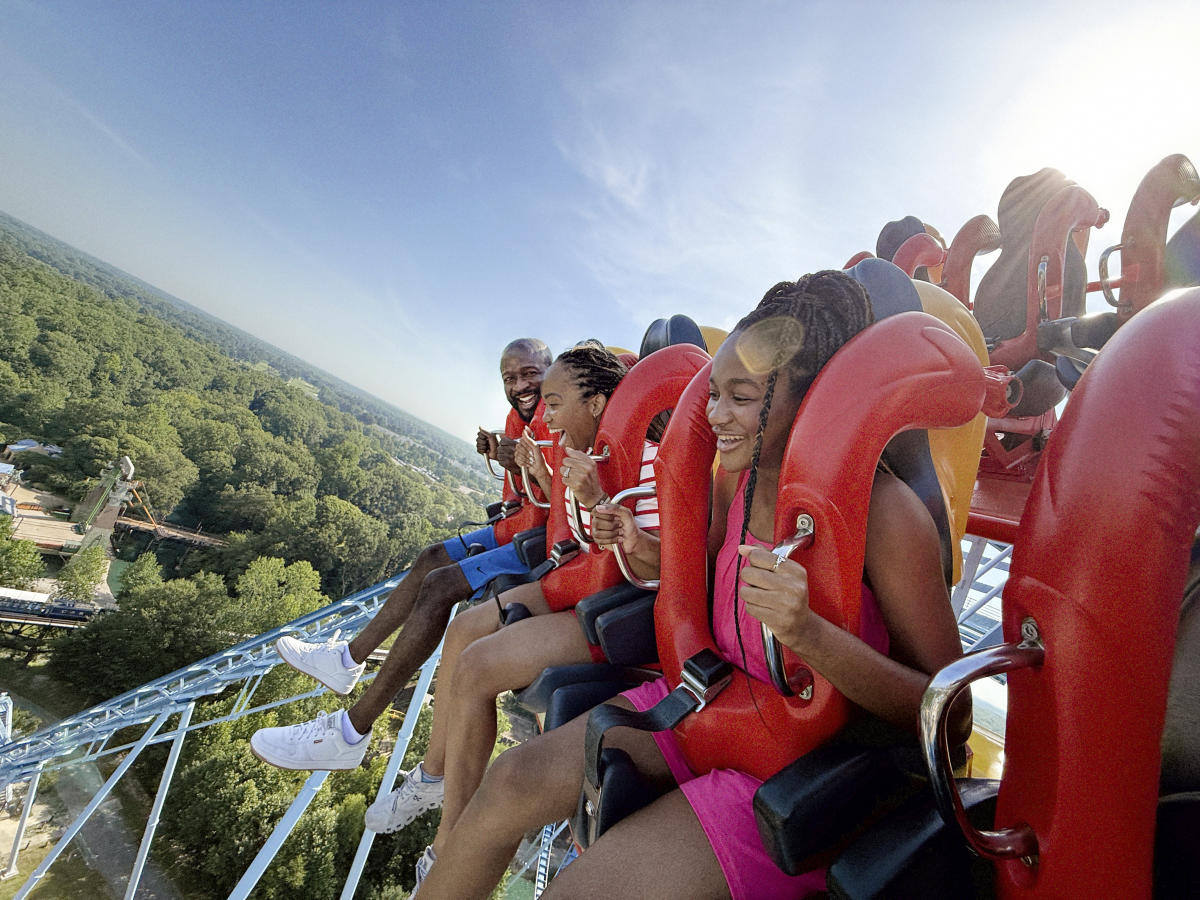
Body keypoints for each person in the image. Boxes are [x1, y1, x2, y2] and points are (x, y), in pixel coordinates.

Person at [412, 271, 971, 899]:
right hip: (705, 703)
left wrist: (809, 634)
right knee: (510, 782)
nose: (716, 416)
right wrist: (632, 540)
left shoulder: (886, 516)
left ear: (811, 397)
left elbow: (948, 717)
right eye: (714, 395)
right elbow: (688, 588)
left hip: (789, 767)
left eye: (742, 397)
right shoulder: (735, 481)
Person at [368, 345, 662, 875]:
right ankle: (437, 784)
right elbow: (565, 526)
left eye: (555, 403)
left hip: (616, 608)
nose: (546, 417)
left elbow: (658, 567)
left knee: (478, 665)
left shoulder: (647, 463)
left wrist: (599, 503)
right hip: (576, 583)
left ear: (597, 404)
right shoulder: (583, 454)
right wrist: (541, 475)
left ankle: (447, 845)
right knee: (464, 637)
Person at [249, 338, 552, 772]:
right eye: (510, 377)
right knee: (431, 558)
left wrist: (525, 466)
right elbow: (527, 491)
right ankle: (347, 660)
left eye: (530, 374)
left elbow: (563, 504)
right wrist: (504, 457)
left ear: (551, 370)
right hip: (513, 527)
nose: (520, 385)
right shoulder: (519, 417)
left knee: (439, 586)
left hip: (536, 542)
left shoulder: (559, 416)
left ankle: (351, 731)